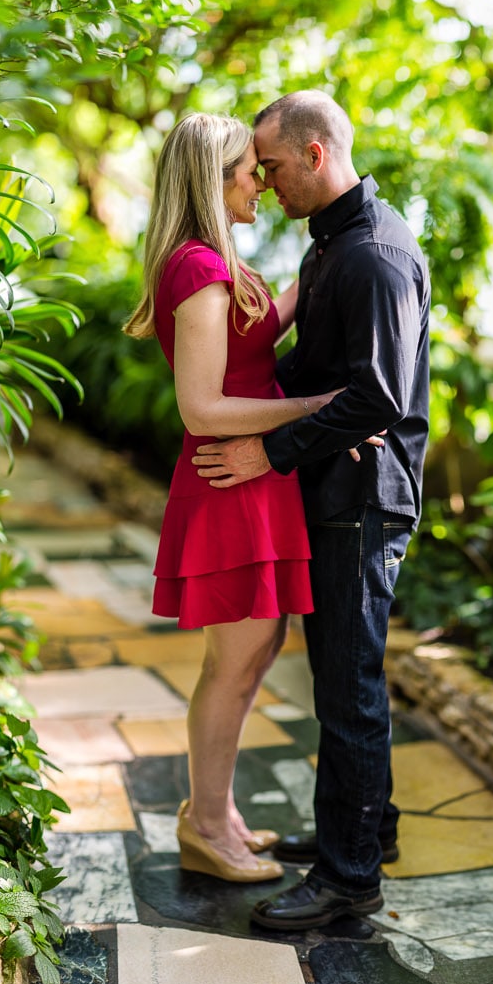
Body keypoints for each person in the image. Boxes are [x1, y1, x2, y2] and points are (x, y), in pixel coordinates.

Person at [191, 90, 430, 931]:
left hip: (361, 500)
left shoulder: (374, 256)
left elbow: (378, 397)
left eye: (275, 165)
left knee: (348, 689)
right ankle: (362, 833)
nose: (266, 181)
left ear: (317, 156)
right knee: (341, 680)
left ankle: (349, 881)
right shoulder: (333, 247)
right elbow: (311, 371)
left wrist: (266, 449)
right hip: (334, 490)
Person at [124, 112, 339, 884]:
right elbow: (203, 408)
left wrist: (323, 264)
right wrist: (315, 409)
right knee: (234, 660)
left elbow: (255, 341)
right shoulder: (196, 269)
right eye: (251, 169)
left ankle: (213, 813)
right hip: (230, 478)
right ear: (215, 182)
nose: (263, 181)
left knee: (254, 652)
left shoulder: (215, 263)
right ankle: (207, 826)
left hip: (253, 478)